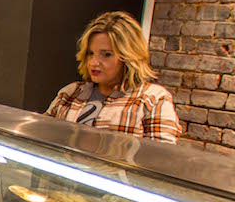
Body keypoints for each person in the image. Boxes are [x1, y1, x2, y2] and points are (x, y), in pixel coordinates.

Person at [45, 11, 180, 143]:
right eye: (90, 53)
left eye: (106, 54)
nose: (93, 62)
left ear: (128, 57)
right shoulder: (71, 93)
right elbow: (41, 137)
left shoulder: (153, 99)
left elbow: (162, 158)